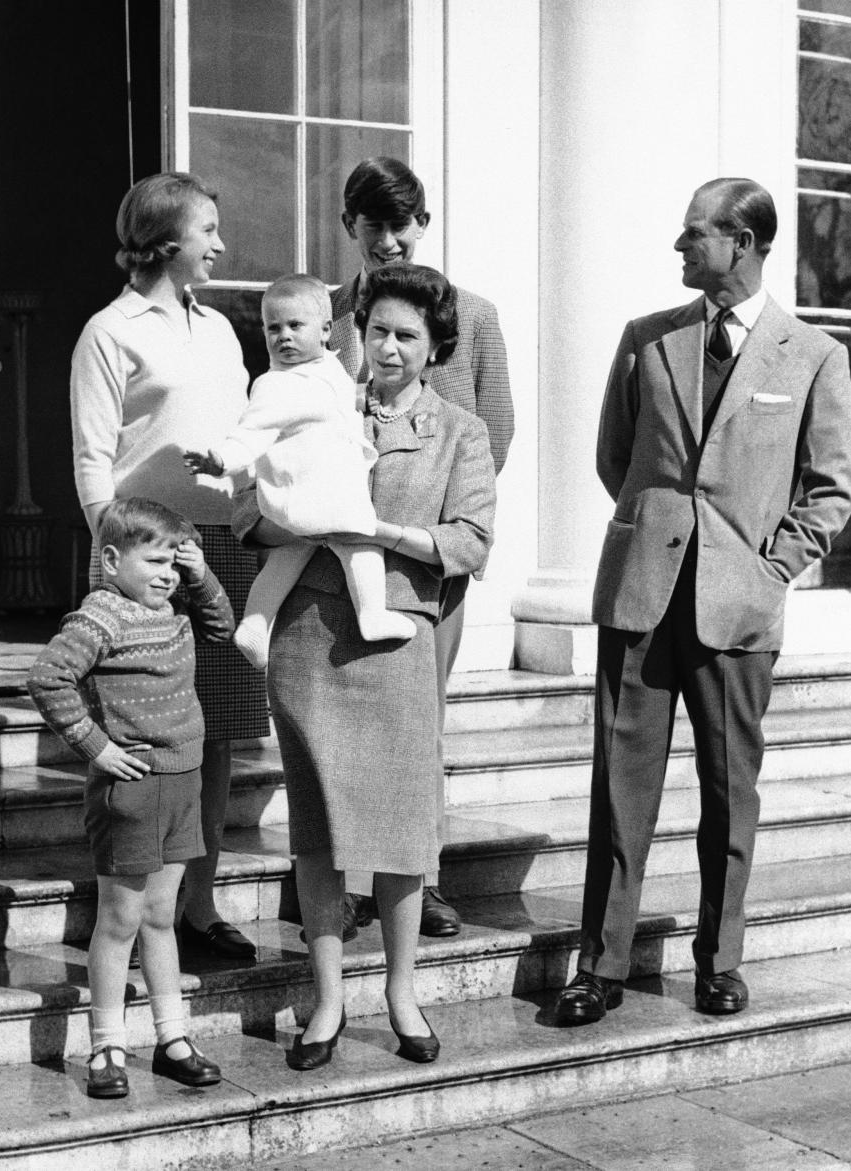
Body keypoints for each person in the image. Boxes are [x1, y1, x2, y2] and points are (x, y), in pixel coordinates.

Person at [554, 178, 851, 1026]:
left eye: (694, 236)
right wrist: (657, 534)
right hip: (640, 600)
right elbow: (618, 459)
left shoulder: (813, 355)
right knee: (619, 791)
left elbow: (830, 491)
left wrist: (764, 570)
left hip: (738, 611)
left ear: (744, 242)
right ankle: (602, 962)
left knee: (730, 794)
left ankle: (720, 960)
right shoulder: (647, 341)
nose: (679, 249)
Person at [266, 262, 495, 1070]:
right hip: (309, 639)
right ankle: (326, 1000)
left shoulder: (462, 431)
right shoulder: (318, 401)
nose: (387, 347)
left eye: (406, 335)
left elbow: (470, 540)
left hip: (400, 632)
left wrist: (385, 533)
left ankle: (402, 993)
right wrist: (280, 509)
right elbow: (250, 512)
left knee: (402, 827)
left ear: (435, 347)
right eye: (376, 331)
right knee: (319, 830)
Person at [71, 172, 268, 962]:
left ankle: (198, 904)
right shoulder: (109, 332)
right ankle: (128, 910)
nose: (220, 244)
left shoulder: (220, 329)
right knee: (138, 734)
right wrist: (121, 561)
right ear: (165, 239)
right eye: (208, 229)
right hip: (140, 557)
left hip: (221, 548)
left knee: (212, 736)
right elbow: (92, 461)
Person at [327, 156, 515, 939]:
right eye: (375, 228)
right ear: (352, 229)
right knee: (336, 725)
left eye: (403, 226)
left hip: (427, 557)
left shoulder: (469, 316)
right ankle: (342, 878)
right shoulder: (328, 311)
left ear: (424, 225)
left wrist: (436, 508)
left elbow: (496, 427)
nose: (390, 242)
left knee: (416, 724)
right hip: (330, 554)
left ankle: (420, 879)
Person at [27, 498, 230, 1097]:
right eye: (155, 560)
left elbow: (221, 625)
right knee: (120, 921)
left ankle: (172, 1039)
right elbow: (47, 677)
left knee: (162, 917)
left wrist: (202, 573)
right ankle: (107, 1047)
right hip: (133, 791)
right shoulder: (102, 617)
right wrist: (95, 748)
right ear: (112, 560)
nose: (167, 574)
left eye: (175, 562)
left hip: (185, 779)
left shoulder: (176, 607)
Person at [183, 273, 415, 668]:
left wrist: (362, 399)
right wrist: (221, 461)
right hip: (319, 494)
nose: (283, 336)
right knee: (362, 542)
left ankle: (255, 623)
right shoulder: (275, 385)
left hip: (309, 497)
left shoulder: (328, 369)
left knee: (290, 554)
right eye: (273, 328)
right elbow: (249, 434)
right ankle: (372, 613)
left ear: (326, 331)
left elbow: (336, 402)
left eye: (294, 326)